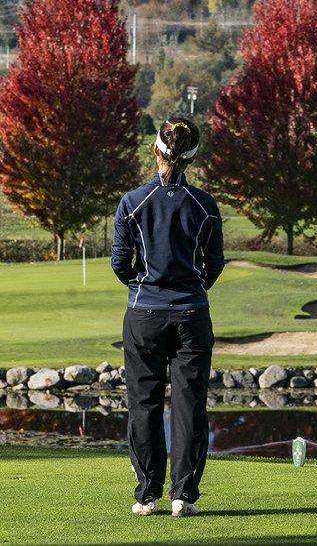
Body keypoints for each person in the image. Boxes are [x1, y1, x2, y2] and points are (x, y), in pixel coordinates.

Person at [111, 117, 224, 518]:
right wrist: (191, 289)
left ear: (156, 150)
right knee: (190, 405)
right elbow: (215, 265)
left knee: (144, 404)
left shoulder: (132, 202)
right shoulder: (206, 205)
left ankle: (147, 496)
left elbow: (120, 264)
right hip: (193, 313)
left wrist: (144, 285)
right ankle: (184, 497)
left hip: (144, 314)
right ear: (191, 158)